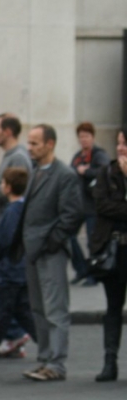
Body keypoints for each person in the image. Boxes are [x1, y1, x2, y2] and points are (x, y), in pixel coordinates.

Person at [12, 124, 84, 382]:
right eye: (29, 143)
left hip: (50, 251)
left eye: (34, 143)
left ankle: (56, 364)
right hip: (33, 251)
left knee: (55, 310)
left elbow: (72, 215)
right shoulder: (35, 171)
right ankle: (44, 360)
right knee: (39, 309)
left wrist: (51, 242)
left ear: (50, 144)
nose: (29, 148)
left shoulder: (64, 175)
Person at [0, 167, 36, 363]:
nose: (1, 186)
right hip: (19, 269)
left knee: (0, 312)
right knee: (23, 311)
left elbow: (4, 240)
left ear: (9, 187)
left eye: (3, 183)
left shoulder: (12, 211)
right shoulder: (22, 208)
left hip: (8, 270)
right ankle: (46, 341)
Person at [89, 128, 127, 382]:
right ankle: (109, 361)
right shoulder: (106, 172)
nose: (121, 148)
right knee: (113, 307)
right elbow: (102, 205)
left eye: (125, 143)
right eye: (119, 143)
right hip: (114, 250)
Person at [69, 122, 110, 285]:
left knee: (93, 242)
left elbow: (105, 171)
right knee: (69, 236)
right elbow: (70, 172)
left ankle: (93, 274)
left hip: (93, 205)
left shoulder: (99, 155)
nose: (83, 139)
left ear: (92, 137)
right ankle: (81, 269)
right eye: (81, 136)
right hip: (78, 205)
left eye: (86, 136)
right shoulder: (78, 156)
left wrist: (87, 171)